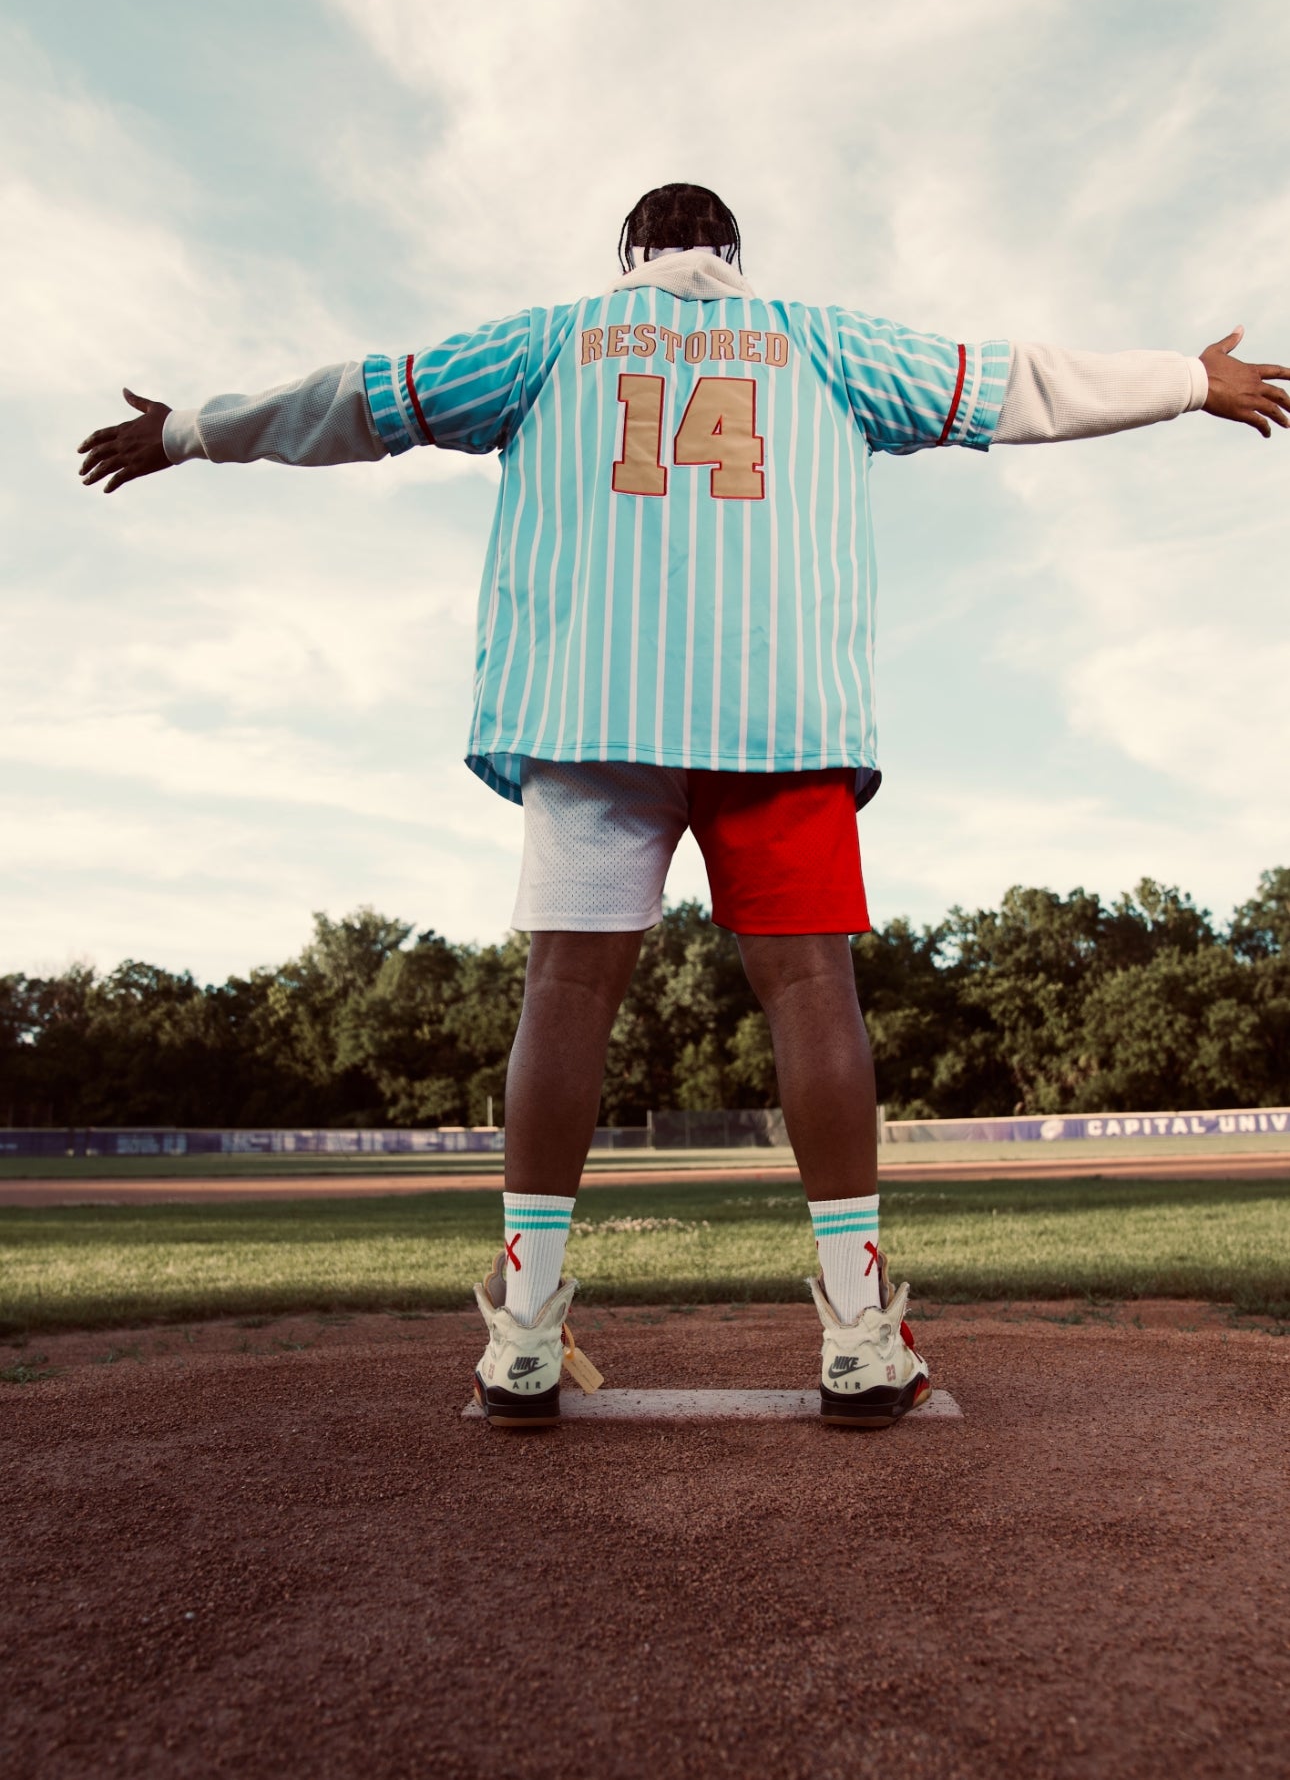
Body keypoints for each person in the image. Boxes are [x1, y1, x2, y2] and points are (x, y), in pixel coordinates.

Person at [79, 182, 1289, 1430]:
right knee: (814, 990)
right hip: (782, 718)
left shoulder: (549, 339)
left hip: (588, 711)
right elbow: (1016, 384)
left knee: (567, 992)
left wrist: (189, 433)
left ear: (626, 256)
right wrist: (1189, 381)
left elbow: (359, 399)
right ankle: (861, 1335)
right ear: (734, 254)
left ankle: (527, 1338)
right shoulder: (822, 339)